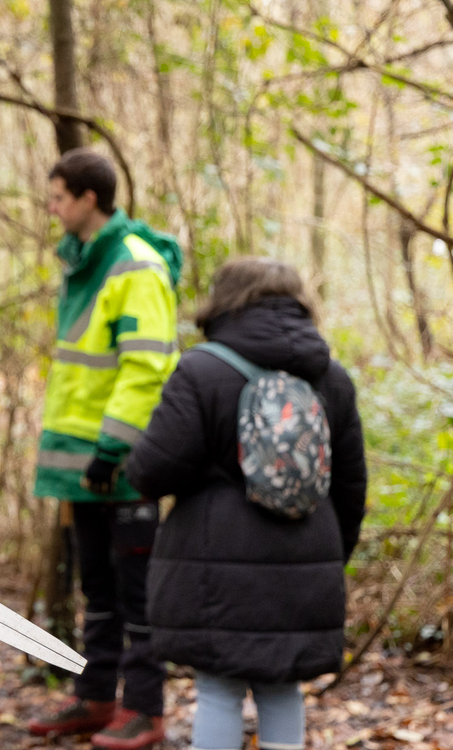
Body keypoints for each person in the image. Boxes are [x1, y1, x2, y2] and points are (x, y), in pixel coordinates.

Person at [126, 258, 367, 750]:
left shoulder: (201, 369)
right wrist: (328, 560)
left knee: (218, 687)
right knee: (283, 686)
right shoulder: (333, 378)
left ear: (225, 302)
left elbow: (152, 470)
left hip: (213, 561)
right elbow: (351, 487)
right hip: (307, 554)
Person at [27, 149, 180, 750]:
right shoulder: (85, 263)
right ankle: (95, 698)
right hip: (81, 468)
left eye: (59, 195)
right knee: (98, 591)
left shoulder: (134, 265)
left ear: (90, 198)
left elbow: (146, 367)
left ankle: (145, 709)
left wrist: (111, 448)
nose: (51, 206)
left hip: (121, 464)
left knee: (136, 592)